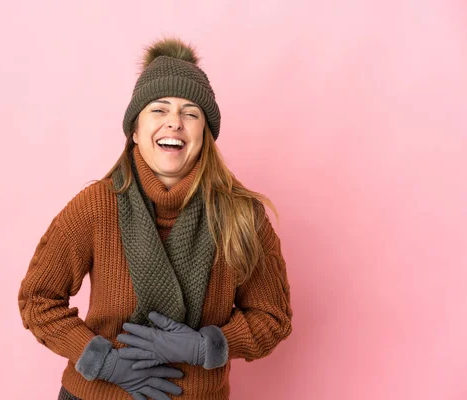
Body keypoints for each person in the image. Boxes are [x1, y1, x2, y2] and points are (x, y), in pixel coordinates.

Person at [18, 37, 293, 400]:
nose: (174, 123)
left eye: (190, 113)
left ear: (206, 136)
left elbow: (272, 317)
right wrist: (103, 362)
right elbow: (37, 299)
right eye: (159, 110)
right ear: (134, 130)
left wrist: (205, 346)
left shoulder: (242, 217)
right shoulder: (96, 206)